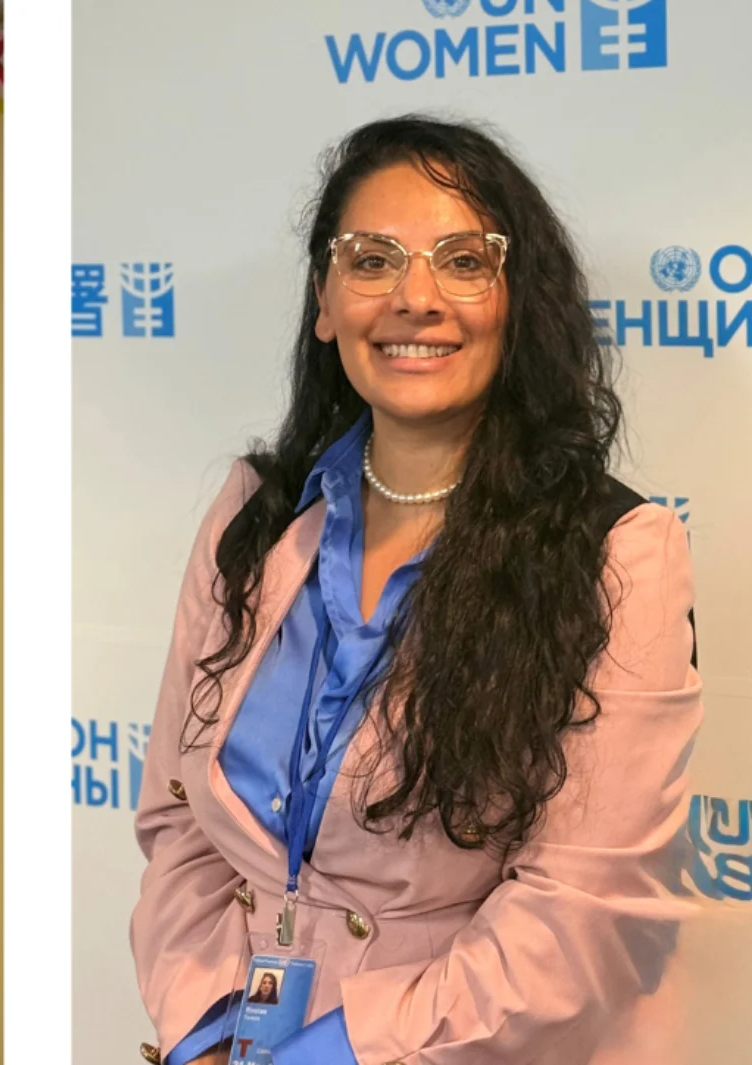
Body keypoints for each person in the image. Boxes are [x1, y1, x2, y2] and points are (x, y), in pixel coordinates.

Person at [127, 116, 697, 1065]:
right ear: (324, 299)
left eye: (463, 261)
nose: (416, 298)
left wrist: (325, 1056)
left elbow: (582, 915)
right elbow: (179, 818)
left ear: (518, 299)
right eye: (373, 258)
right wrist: (206, 1033)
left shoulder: (617, 553)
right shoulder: (251, 515)